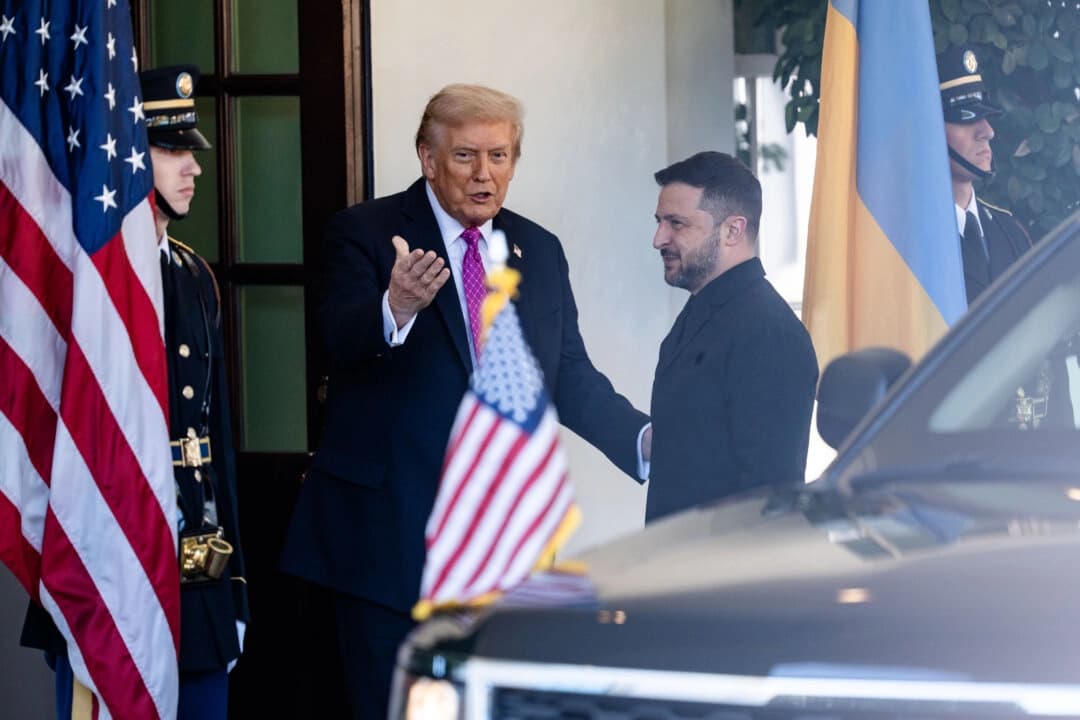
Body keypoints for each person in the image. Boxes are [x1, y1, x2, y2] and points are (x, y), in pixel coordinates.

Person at [280, 83, 649, 720]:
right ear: (428, 159)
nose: (485, 174)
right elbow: (337, 342)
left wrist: (645, 441)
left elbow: (567, 375)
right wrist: (395, 307)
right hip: (390, 548)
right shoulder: (365, 233)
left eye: (499, 156)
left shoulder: (540, 249)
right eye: (465, 156)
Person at [21, 65, 249, 720]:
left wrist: (233, 588)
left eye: (190, 150)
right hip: (107, 566)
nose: (193, 167)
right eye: (171, 149)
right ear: (124, 158)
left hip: (194, 571)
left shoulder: (193, 275)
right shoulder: (80, 282)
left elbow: (213, 441)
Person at [645, 151, 818, 523]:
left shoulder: (769, 332)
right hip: (679, 555)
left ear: (733, 231)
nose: (659, 239)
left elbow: (769, 499)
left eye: (677, 223)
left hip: (723, 559)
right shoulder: (705, 311)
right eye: (660, 222)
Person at [937, 45, 1032, 305]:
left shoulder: (1011, 233)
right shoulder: (903, 240)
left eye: (985, 117)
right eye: (966, 118)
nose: (987, 132)